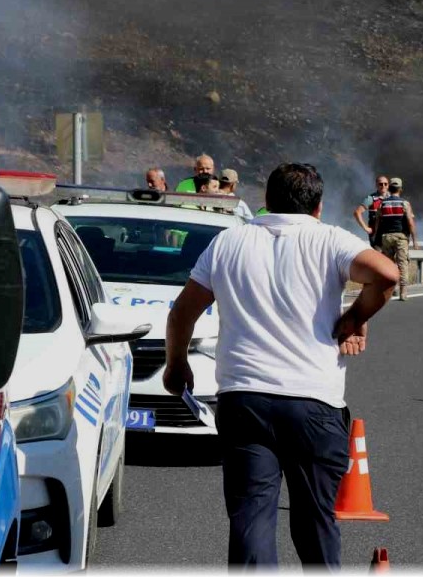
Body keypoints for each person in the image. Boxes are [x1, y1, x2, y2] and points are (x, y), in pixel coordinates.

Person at [162, 162, 398, 568]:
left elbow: (182, 312)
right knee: (314, 521)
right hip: (313, 403)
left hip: (244, 399)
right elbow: (386, 273)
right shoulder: (330, 240)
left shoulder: (228, 242)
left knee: (251, 517)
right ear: (319, 207)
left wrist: (176, 364)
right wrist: (356, 317)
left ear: (266, 201)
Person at [374, 177, 418, 301]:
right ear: (400, 189)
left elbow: (377, 221)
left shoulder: (383, 203)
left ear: (390, 188)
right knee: (402, 264)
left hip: (386, 237)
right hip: (401, 238)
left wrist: (376, 236)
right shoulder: (404, 203)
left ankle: (390, 290)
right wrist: (414, 240)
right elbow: (410, 221)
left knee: (388, 265)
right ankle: (403, 292)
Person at [353, 175, 389, 247]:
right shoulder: (371, 198)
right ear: (376, 185)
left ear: (388, 185)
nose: (383, 186)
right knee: (378, 256)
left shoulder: (392, 198)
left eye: (385, 184)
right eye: (380, 184)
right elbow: (357, 212)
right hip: (376, 235)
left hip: (389, 234)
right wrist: (366, 228)